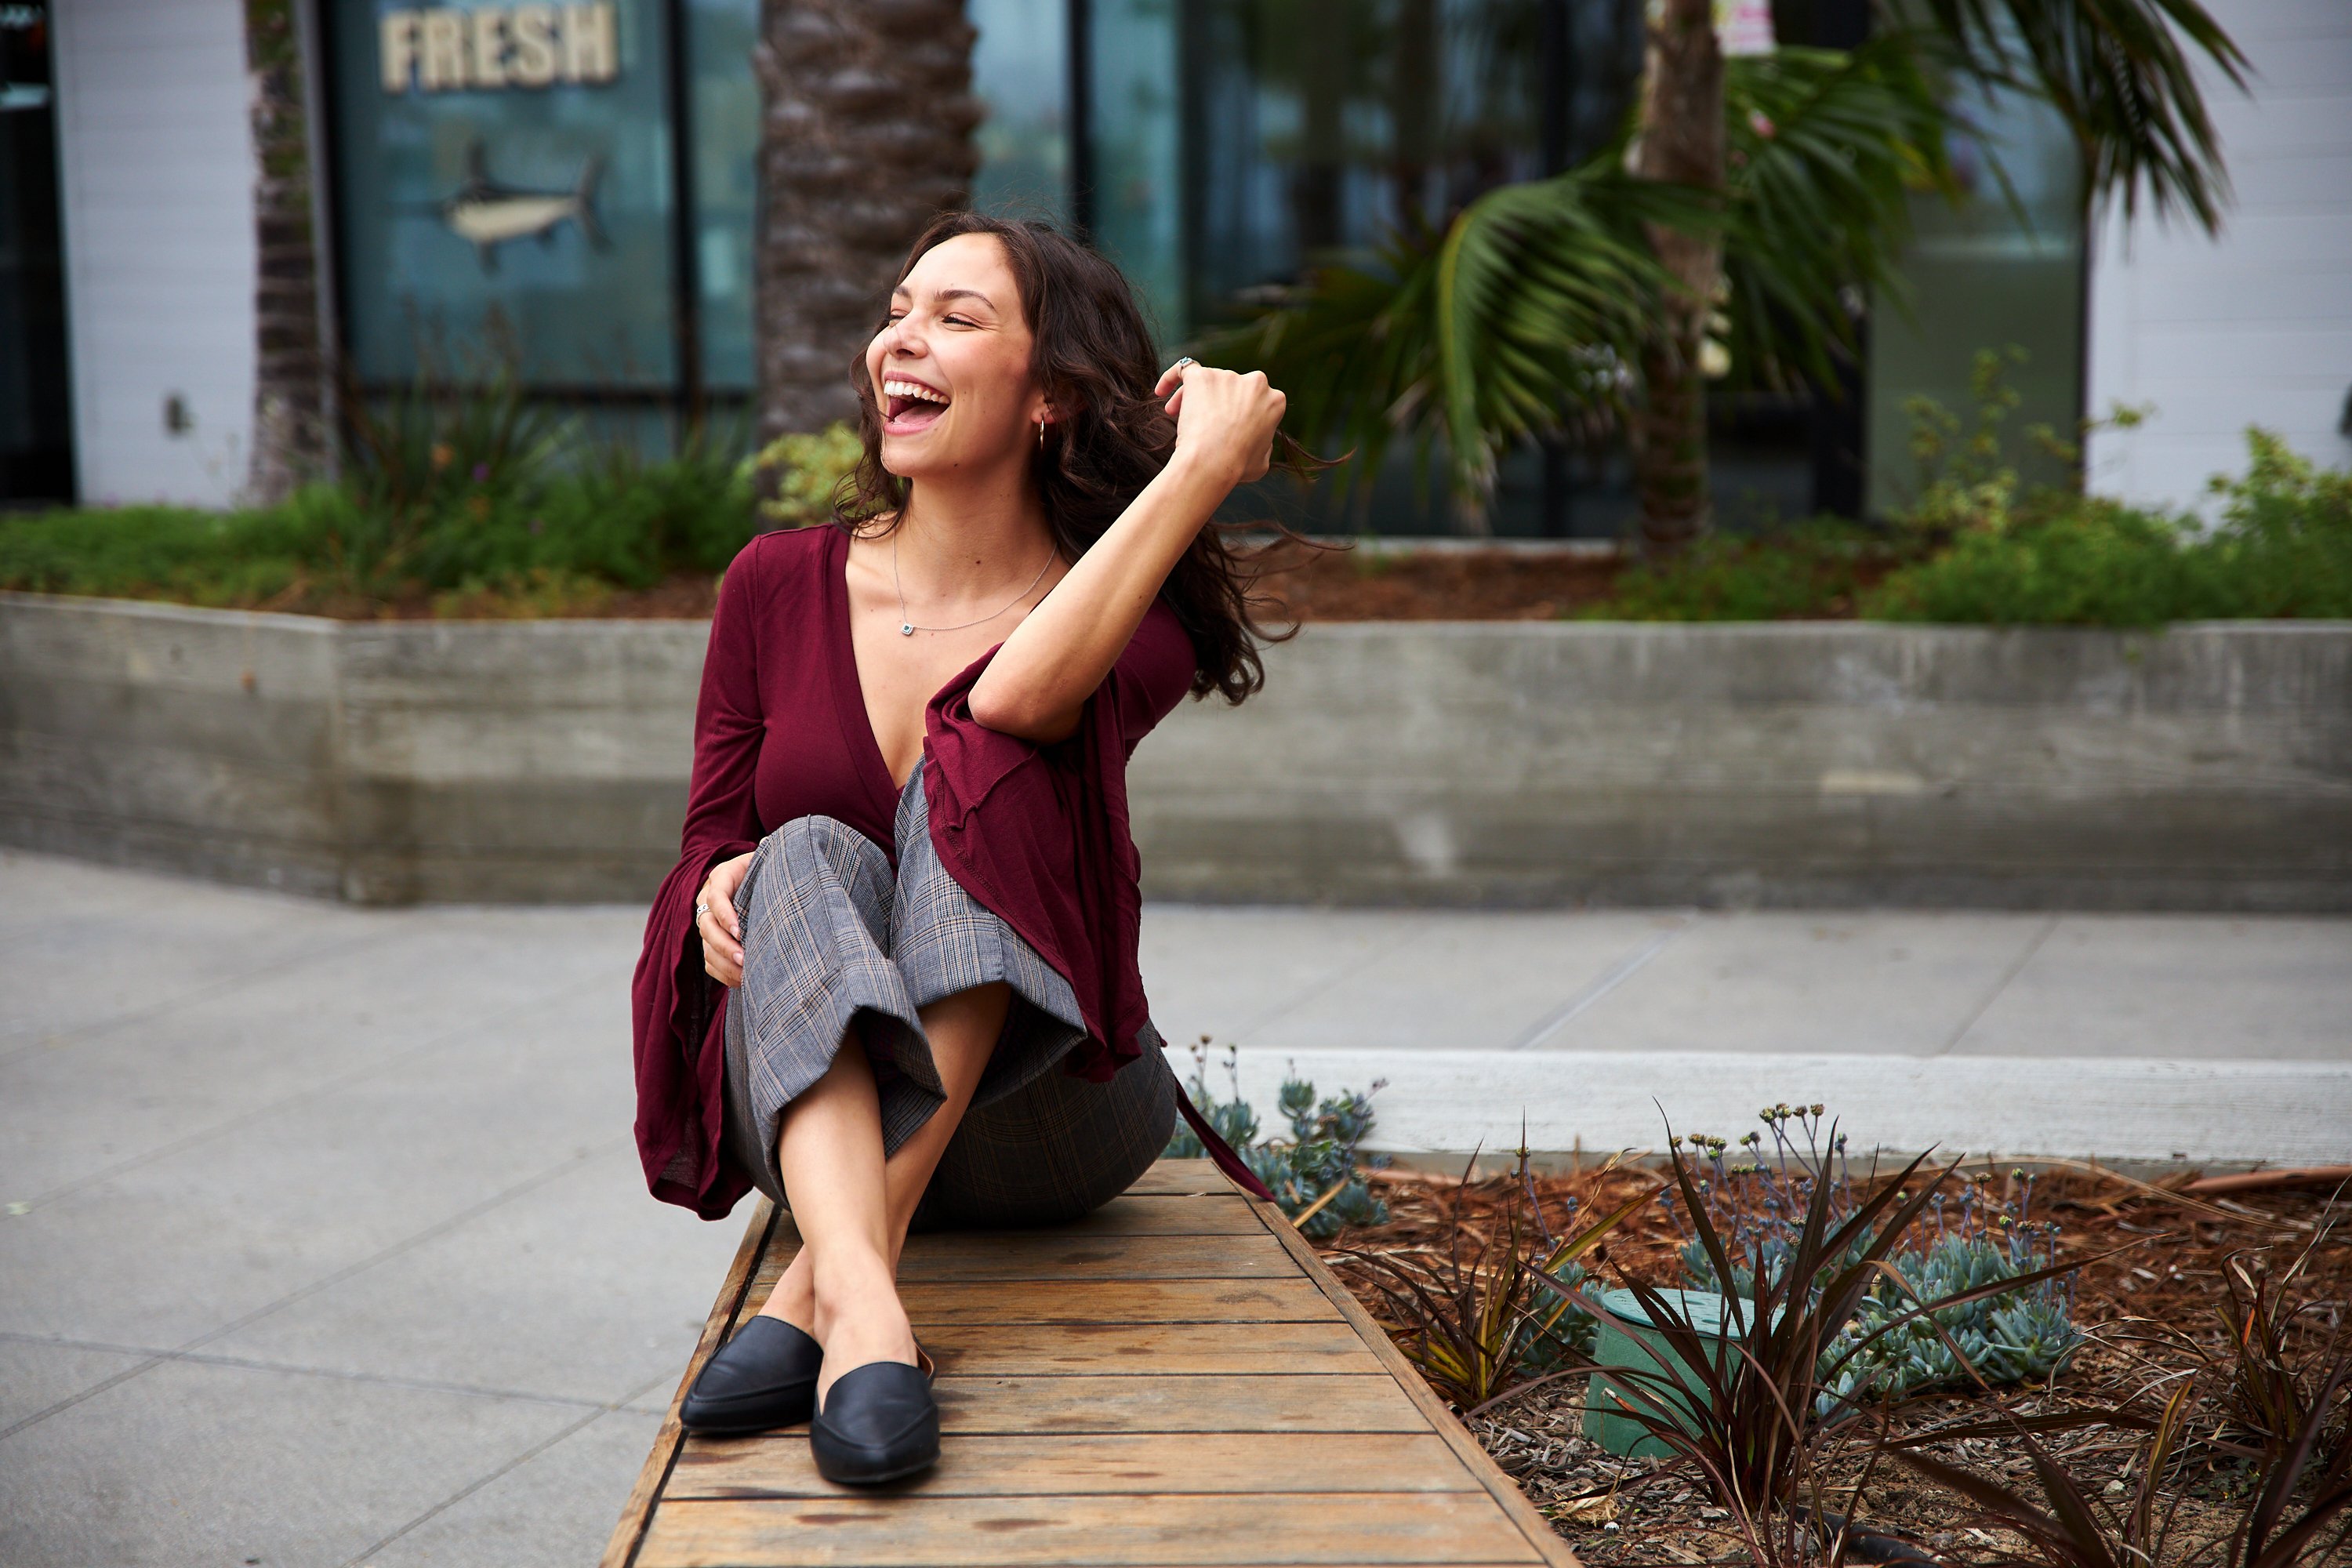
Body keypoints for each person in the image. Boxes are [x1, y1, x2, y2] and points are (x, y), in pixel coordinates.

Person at [627, 211, 1310, 1486]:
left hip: (1048, 1119)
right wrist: (724, 884)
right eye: (897, 311)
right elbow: (707, 839)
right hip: (814, 1087)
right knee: (805, 847)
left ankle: (816, 1293)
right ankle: (873, 1317)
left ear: (1050, 396)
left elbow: (1007, 712)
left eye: (956, 317)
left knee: (974, 770)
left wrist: (1197, 475)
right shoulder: (773, 584)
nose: (903, 339)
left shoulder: (1128, 615)